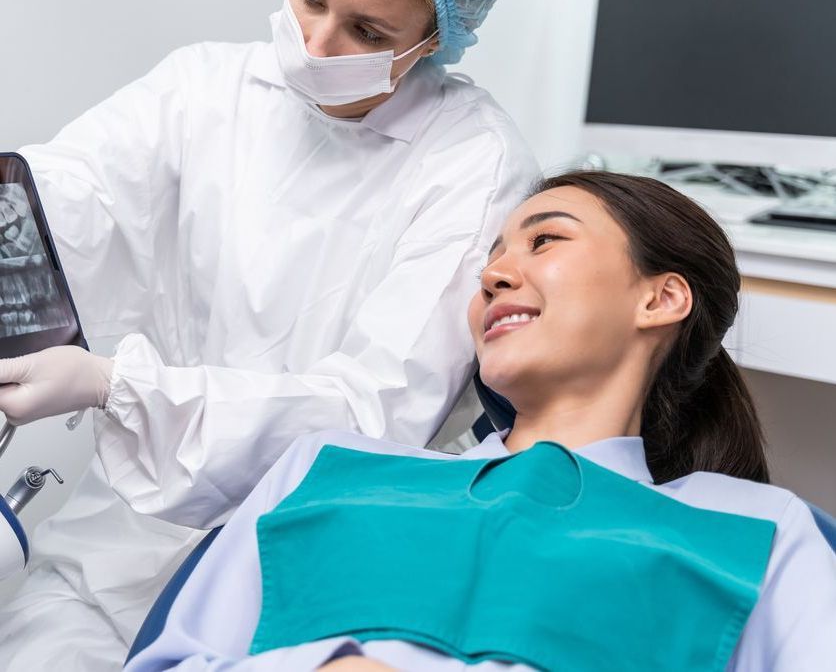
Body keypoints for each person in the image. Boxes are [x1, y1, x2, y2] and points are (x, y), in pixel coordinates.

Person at [0, 0, 538, 670]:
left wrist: (118, 385)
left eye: (368, 31)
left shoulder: (474, 162)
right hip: (117, 539)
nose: (319, 43)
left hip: (305, 562)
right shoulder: (206, 87)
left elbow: (373, 417)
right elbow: (68, 197)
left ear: (435, 37)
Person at [126, 172, 836, 671]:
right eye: (491, 258)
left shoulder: (762, 533)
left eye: (544, 241)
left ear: (660, 298)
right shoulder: (325, 469)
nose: (494, 274)